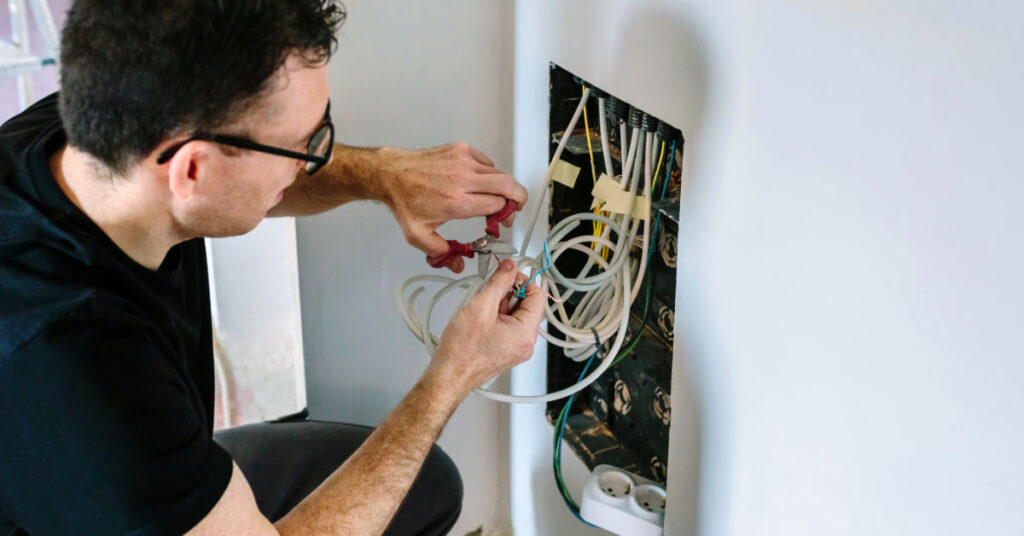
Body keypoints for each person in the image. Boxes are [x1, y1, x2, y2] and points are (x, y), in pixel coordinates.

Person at [0, 1, 543, 534]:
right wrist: (453, 376)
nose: (316, 159)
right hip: (88, 482)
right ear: (192, 170)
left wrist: (384, 175)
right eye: (302, 146)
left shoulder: (108, 126)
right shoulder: (75, 370)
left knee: (425, 487)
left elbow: (246, 177)